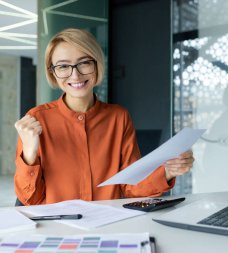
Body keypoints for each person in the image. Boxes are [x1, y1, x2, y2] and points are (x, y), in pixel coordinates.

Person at [14, 28, 194, 205]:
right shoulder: (36, 119)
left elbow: (131, 186)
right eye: (63, 66)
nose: (75, 75)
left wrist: (168, 171)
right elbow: (30, 199)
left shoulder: (118, 117)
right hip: (57, 227)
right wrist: (29, 153)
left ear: (97, 64)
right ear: (52, 71)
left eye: (84, 63)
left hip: (107, 225)